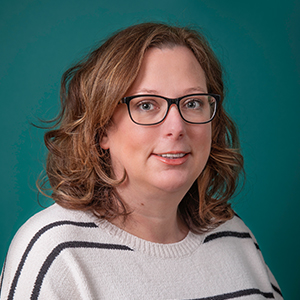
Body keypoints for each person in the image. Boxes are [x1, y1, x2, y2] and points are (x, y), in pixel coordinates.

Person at [0, 22, 283, 300]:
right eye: (146, 105)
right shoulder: (56, 252)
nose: (177, 127)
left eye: (193, 102)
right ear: (101, 130)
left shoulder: (235, 236)